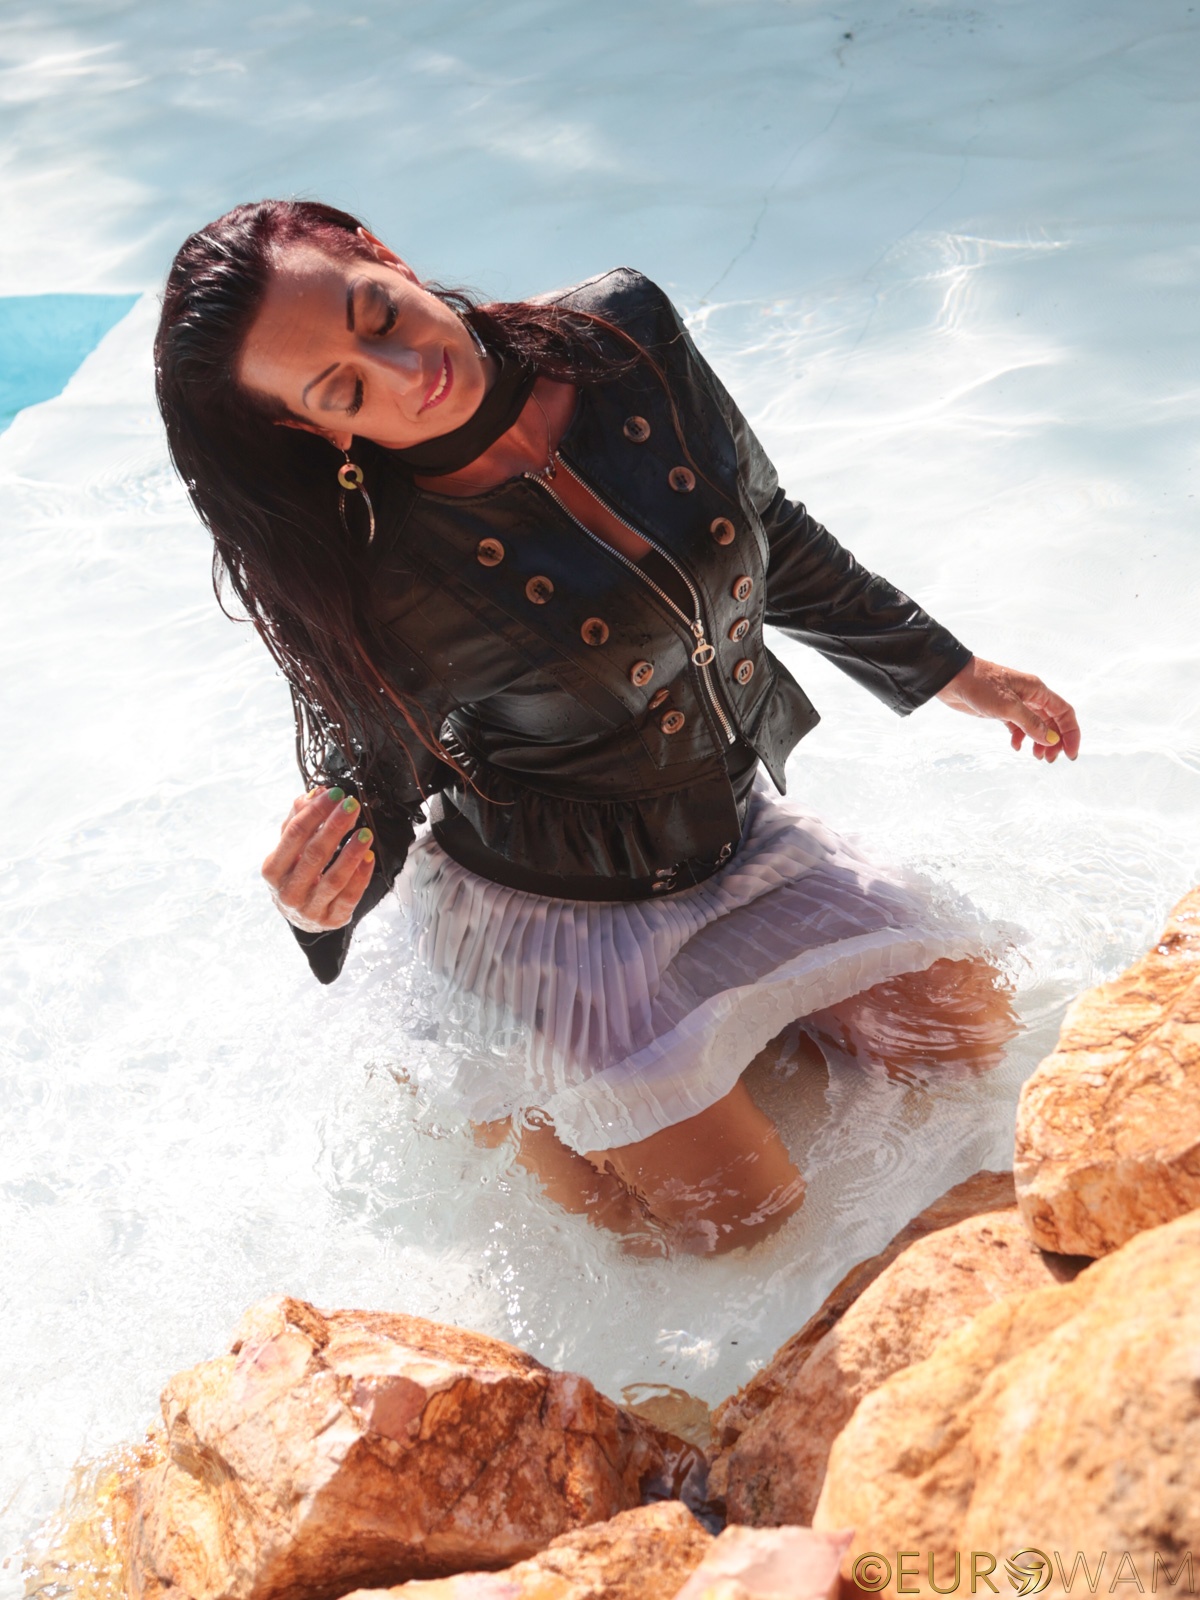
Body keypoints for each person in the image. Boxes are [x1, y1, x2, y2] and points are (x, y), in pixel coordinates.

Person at [154, 199, 1080, 1256]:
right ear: (318, 430)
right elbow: (376, 778)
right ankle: (508, 1096)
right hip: (555, 929)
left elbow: (762, 528)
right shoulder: (374, 568)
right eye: (346, 389)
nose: (409, 370)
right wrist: (318, 900)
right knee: (743, 1236)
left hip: (737, 840)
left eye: (378, 314)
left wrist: (956, 673)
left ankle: (710, 1055)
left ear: (383, 253)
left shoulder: (624, 333)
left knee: (977, 1059)